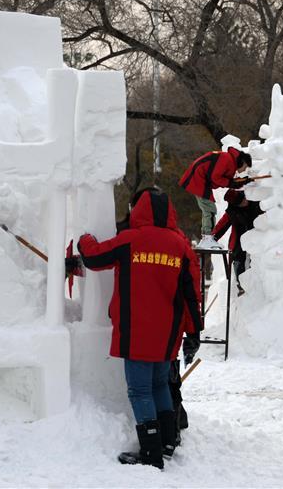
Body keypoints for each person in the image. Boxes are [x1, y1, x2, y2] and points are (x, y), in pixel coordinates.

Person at [77, 188, 202, 470]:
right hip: (168, 332)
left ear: (139, 209)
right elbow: (191, 293)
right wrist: (194, 332)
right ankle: (168, 442)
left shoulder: (131, 240)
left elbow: (94, 258)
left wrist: (84, 239)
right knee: (159, 385)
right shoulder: (180, 245)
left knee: (139, 391)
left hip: (137, 330)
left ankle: (151, 453)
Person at [179, 148, 252, 249]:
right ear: (243, 162)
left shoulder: (229, 159)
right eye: (245, 167)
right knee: (209, 209)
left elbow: (223, 178)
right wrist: (232, 183)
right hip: (199, 179)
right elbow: (216, 177)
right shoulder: (228, 159)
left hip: (199, 178)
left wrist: (238, 182)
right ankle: (208, 238)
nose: (244, 170)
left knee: (209, 209)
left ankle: (206, 238)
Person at [212, 190, 262, 285]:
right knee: (238, 261)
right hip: (238, 240)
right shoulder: (232, 211)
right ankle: (239, 285)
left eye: (244, 199)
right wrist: (213, 237)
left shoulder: (253, 201)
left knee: (255, 261)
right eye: (241, 203)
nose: (245, 202)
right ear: (236, 205)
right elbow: (222, 225)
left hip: (256, 238)